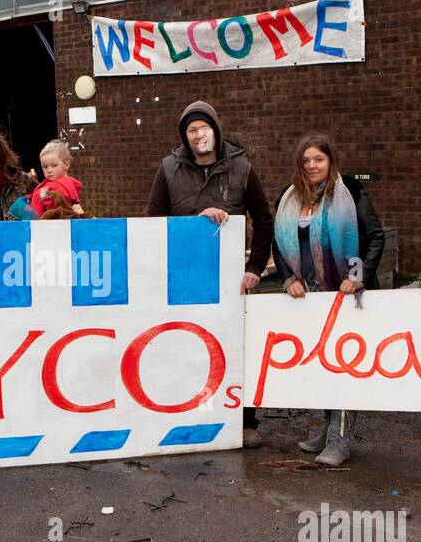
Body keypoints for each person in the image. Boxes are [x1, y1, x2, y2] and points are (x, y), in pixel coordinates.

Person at [146, 100, 275, 449]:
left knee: (235, 347)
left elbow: (264, 220)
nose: (198, 134)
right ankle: (189, 417)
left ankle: (244, 421)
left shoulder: (241, 168)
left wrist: (255, 268)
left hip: (230, 280)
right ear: (184, 136)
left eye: (204, 127)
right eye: (191, 130)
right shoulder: (168, 170)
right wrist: (195, 219)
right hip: (183, 276)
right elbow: (154, 222)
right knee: (185, 346)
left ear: (216, 131)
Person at [272, 134, 385, 466]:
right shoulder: (288, 198)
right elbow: (279, 245)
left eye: (318, 159)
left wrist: (356, 275)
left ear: (331, 160)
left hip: (347, 296)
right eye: (306, 160)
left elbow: (374, 237)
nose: (312, 165)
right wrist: (288, 278)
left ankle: (340, 439)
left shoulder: (351, 193)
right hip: (310, 297)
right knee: (319, 364)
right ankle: (325, 429)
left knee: (345, 365)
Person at [30, 140, 85, 218]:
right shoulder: (68, 185)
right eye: (45, 167)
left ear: (66, 165)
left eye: (54, 165)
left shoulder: (57, 188)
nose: (49, 170)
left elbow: (41, 214)